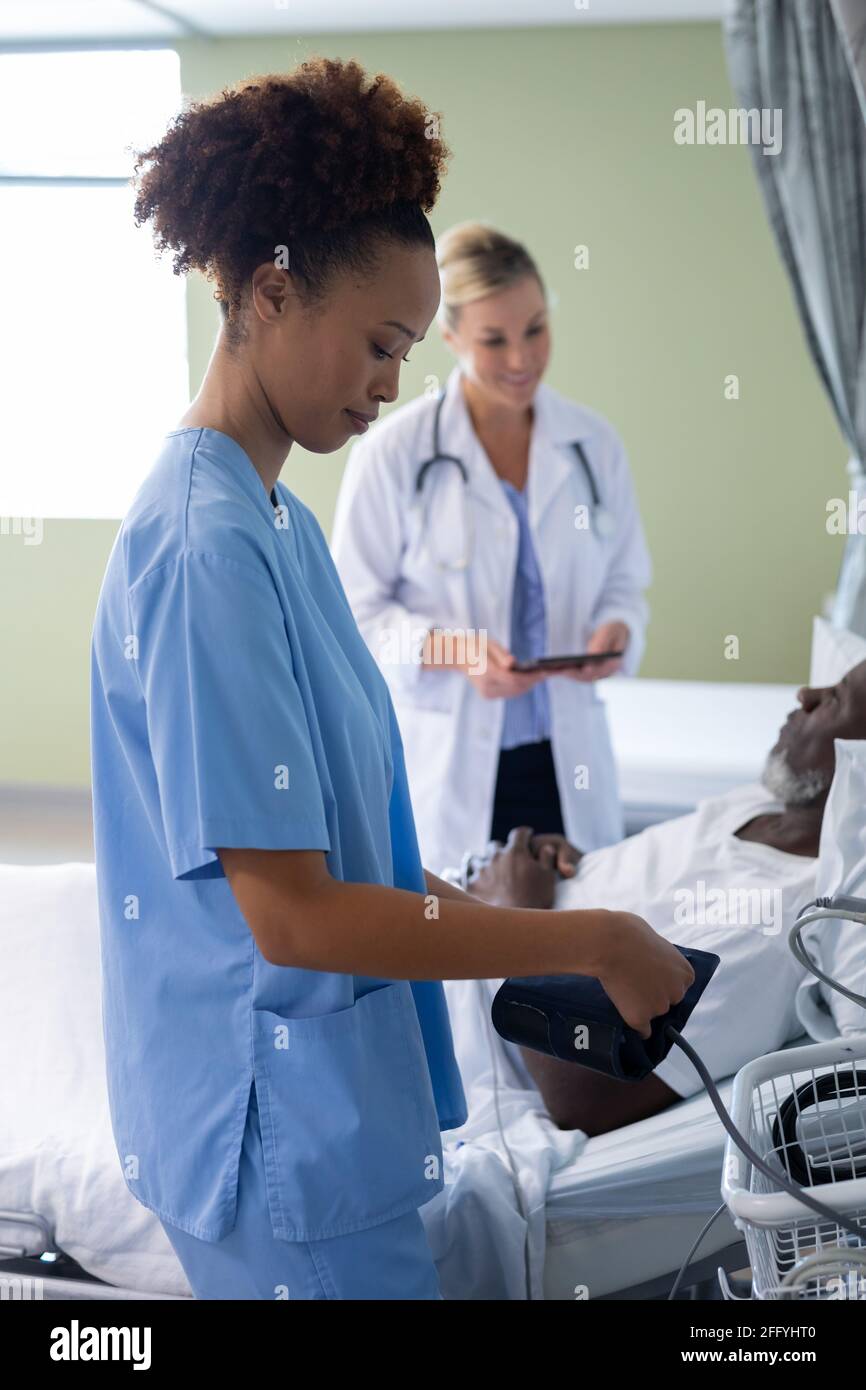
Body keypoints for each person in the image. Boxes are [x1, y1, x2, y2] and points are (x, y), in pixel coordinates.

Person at [89, 58, 692, 1302]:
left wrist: (548, 948)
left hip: (322, 1115)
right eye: (379, 344)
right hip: (269, 1144)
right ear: (268, 290)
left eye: (406, 351)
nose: (390, 384)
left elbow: (348, 849)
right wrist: (588, 935)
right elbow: (298, 916)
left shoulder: (273, 524)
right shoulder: (207, 548)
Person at [331, 222, 652, 875]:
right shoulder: (393, 455)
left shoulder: (593, 445)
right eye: (494, 340)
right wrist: (456, 651)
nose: (521, 358)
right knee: (465, 961)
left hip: (568, 762)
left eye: (535, 328)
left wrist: (617, 629)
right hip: (451, 766)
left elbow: (625, 579)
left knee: (577, 958)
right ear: (448, 338)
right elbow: (357, 623)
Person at [448, 660, 866, 1134]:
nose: (805, 694)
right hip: (457, 924)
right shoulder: (758, 808)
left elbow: (583, 1096)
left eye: (835, 699)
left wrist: (515, 913)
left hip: (445, 1022)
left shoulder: (775, 923)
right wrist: (571, 870)